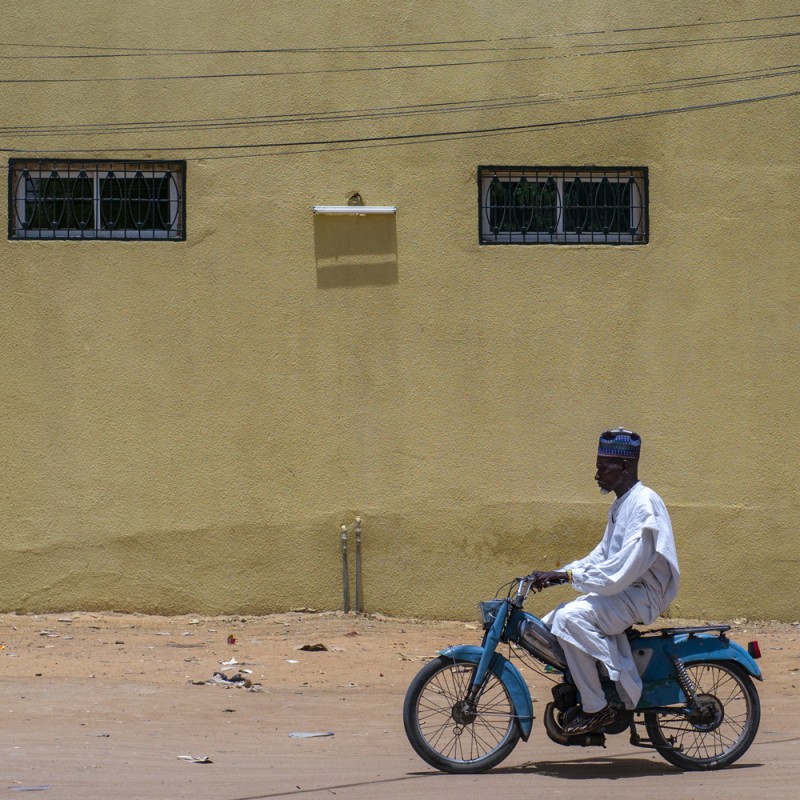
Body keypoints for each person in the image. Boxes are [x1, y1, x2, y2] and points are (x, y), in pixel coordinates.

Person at [531, 428, 680, 735]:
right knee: (555, 620)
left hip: (642, 595)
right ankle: (589, 680)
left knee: (572, 619)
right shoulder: (621, 504)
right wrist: (559, 574)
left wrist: (568, 576)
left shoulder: (643, 505)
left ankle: (597, 708)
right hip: (625, 590)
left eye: (603, 467)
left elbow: (620, 571)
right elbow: (602, 556)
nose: (596, 474)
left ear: (624, 467)